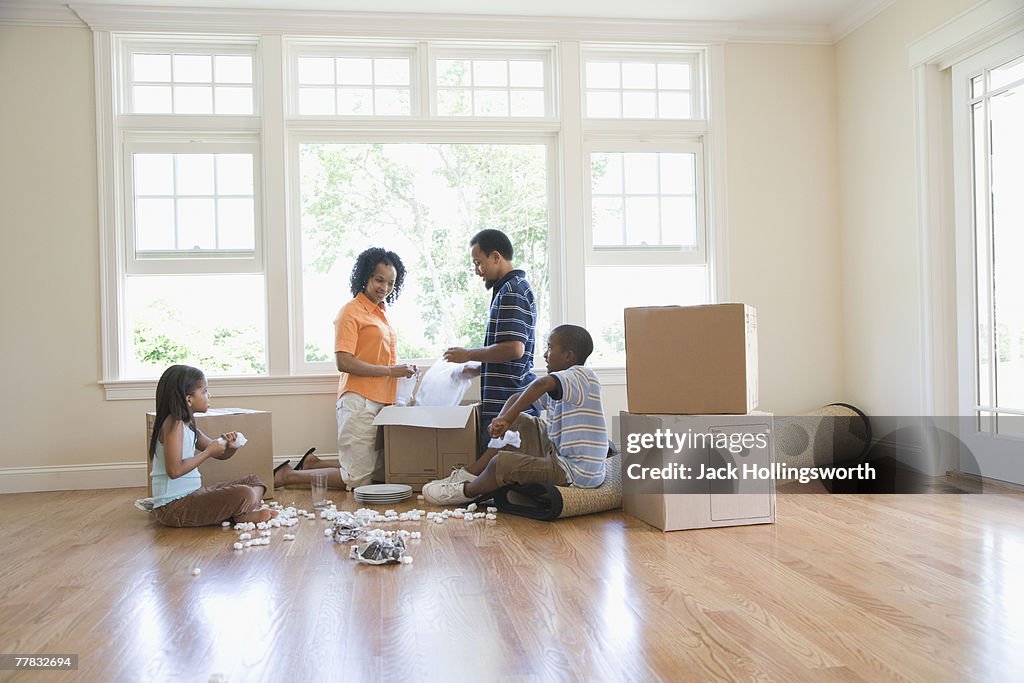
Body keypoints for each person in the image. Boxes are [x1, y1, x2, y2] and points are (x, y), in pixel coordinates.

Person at [278, 247, 417, 492]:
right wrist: (391, 371)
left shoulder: (380, 314)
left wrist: (399, 373)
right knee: (358, 480)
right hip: (359, 400)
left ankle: (313, 463)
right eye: (379, 280)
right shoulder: (350, 312)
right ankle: (288, 476)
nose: (384, 287)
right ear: (365, 277)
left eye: (391, 283)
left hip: (382, 401)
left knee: (377, 469)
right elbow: (344, 362)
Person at [423, 324, 607, 506]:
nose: (545, 354)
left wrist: (507, 418)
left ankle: (466, 491)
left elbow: (540, 385)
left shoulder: (583, 376)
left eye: (550, 348)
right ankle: (471, 473)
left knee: (500, 464)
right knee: (519, 420)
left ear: (568, 355)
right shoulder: (564, 384)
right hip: (558, 455)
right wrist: (502, 420)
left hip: (575, 473)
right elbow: (517, 397)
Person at [443, 229, 537, 452]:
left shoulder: (512, 291)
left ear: (496, 257)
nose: (477, 271)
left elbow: (514, 349)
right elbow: (508, 352)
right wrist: (479, 368)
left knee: (500, 475)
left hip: (507, 404)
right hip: (504, 401)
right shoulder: (508, 289)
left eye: (478, 263)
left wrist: (468, 354)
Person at [147, 364, 276, 527]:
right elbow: (174, 470)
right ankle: (240, 514)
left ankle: (240, 511)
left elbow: (220, 454)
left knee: (254, 481)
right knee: (245, 493)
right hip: (173, 507)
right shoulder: (173, 424)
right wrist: (208, 451)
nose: (209, 395)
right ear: (189, 399)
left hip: (193, 494)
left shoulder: (188, 425)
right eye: (205, 391)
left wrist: (230, 446)